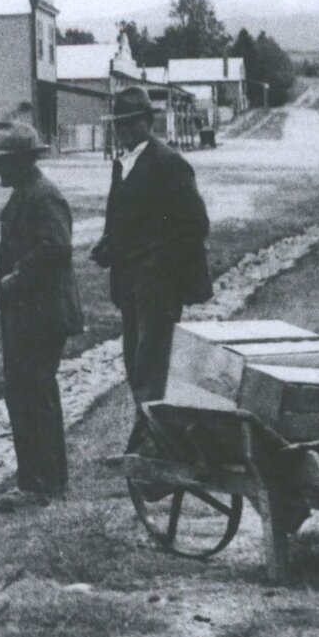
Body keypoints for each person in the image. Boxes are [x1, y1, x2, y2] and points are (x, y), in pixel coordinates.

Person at [90, 87, 213, 449]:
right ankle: (146, 437)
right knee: (134, 361)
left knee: (153, 362)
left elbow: (194, 224)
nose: (124, 130)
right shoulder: (123, 163)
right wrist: (108, 244)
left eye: (131, 123)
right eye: (120, 124)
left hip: (158, 284)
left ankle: (155, 443)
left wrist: (157, 262)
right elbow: (123, 220)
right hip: (129, 281)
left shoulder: (168, 161)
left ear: (148, 121)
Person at [0, 123, 85, 510]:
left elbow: (56, 248)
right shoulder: (26, 193)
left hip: (41, 315)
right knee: (30, 395)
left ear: (21, 162)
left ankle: (40, 485)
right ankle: (43, 480)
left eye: (1, 163)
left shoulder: (42, 196)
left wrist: (16, 276)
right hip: (29, 314)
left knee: (32, 396)